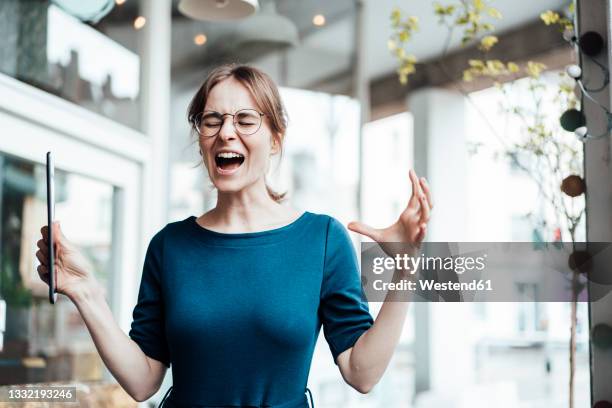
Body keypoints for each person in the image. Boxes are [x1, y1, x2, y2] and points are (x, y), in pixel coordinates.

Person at [35, 64, 433, 407]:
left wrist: (406, 270)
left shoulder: (323, 238)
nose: (226, 132)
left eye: (245, 120)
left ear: (275, 139)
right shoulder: (170, 246)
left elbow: (362, 373)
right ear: (202, 138)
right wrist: (86, 291)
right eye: (212, 121)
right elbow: (143, 381)